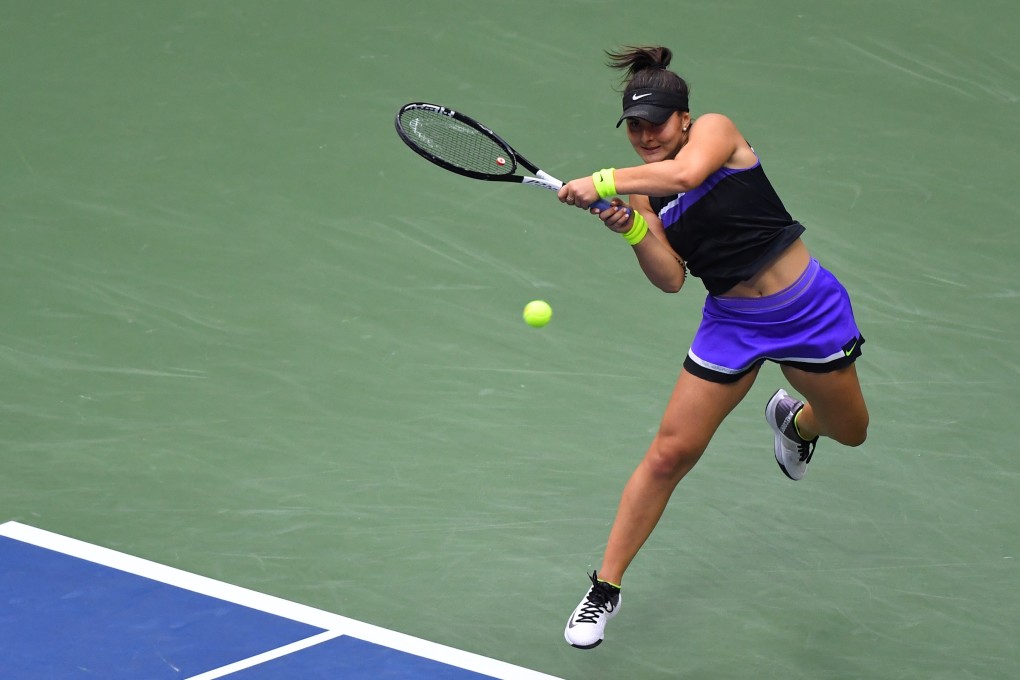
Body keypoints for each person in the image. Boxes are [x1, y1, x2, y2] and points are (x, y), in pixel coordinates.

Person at [556, 46, 870, 649]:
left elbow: (685, 176)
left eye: (656, 121)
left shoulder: (717, 135)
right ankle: (605, 588)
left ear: (685, 118)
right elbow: (671, 277)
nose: (646, 135)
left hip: (809, 310)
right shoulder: (645, 193)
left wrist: (598, 181)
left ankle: (796, 424)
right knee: (670, 454)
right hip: (731, 323)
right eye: (635, 127)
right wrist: (630, 228)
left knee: (850, 430)